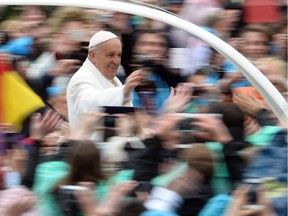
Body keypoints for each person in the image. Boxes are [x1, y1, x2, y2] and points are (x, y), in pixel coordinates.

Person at [66, 30, 145, 130]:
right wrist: (124, 91)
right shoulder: (81, 78)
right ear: (93, 55)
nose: (116, 61)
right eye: (111, 55)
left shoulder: (114, 80)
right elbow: (87, 104)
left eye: (119, 55)